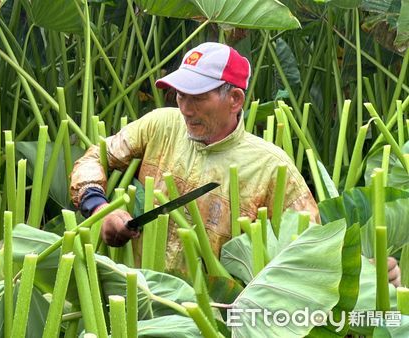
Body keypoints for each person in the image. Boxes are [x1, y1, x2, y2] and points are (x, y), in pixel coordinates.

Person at [69, 42, 400, 285]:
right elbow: (94, 157)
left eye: (197, 96)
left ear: (235, 99)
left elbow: (311, 247)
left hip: (215, 316)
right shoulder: (160, 124)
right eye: (180, 95)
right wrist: (99, 209)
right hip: (133, 296)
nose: (185, 108)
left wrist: (367, 269)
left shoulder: (271, 167)